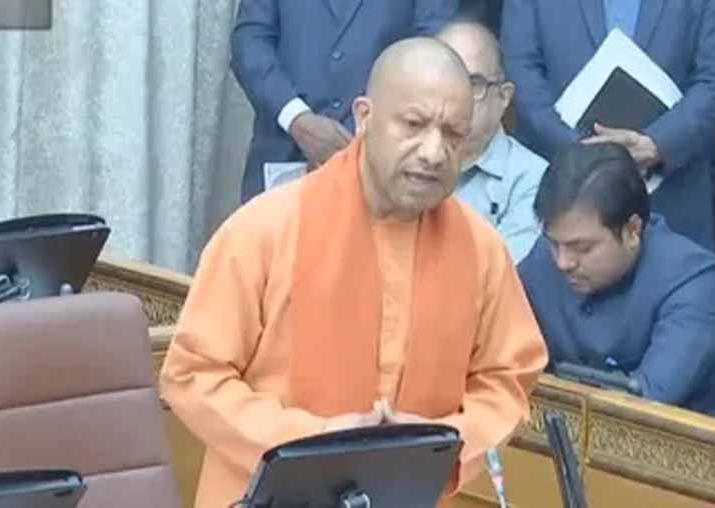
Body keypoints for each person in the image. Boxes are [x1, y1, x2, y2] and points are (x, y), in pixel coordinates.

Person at [161, 38, 548, 508]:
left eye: (453, 134)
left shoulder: (481, 250)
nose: (433, 152)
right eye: (413, 124)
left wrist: (438, 443)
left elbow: (509, 377)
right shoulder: (265, 230)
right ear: (364, 117)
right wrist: (315, 442)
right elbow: (193, 375)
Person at [517, 143, 715, 431]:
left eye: (583, 248)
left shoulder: (696, 285)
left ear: (632, 230)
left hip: (707, 452)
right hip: (580, 440)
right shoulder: (544, 259)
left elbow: (642, 409)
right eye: (554, 244)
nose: (563, 262)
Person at [501, 0, 715, 252]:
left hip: (671, 197)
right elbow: (521, 72)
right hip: (564, 199)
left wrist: (656, 144)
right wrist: (582, 152)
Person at [231, 0, 458, 202]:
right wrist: (296, 119)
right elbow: (249, 42)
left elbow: (433, 52)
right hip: (283, 154)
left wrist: (359, 134)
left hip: (378, 170)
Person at [437, 20, 547, 263]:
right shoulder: (407, 163)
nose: (457, 96)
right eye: (446, 80)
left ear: (504, 97)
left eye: (473, 84)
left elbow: (501, 275)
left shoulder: (532, 178)